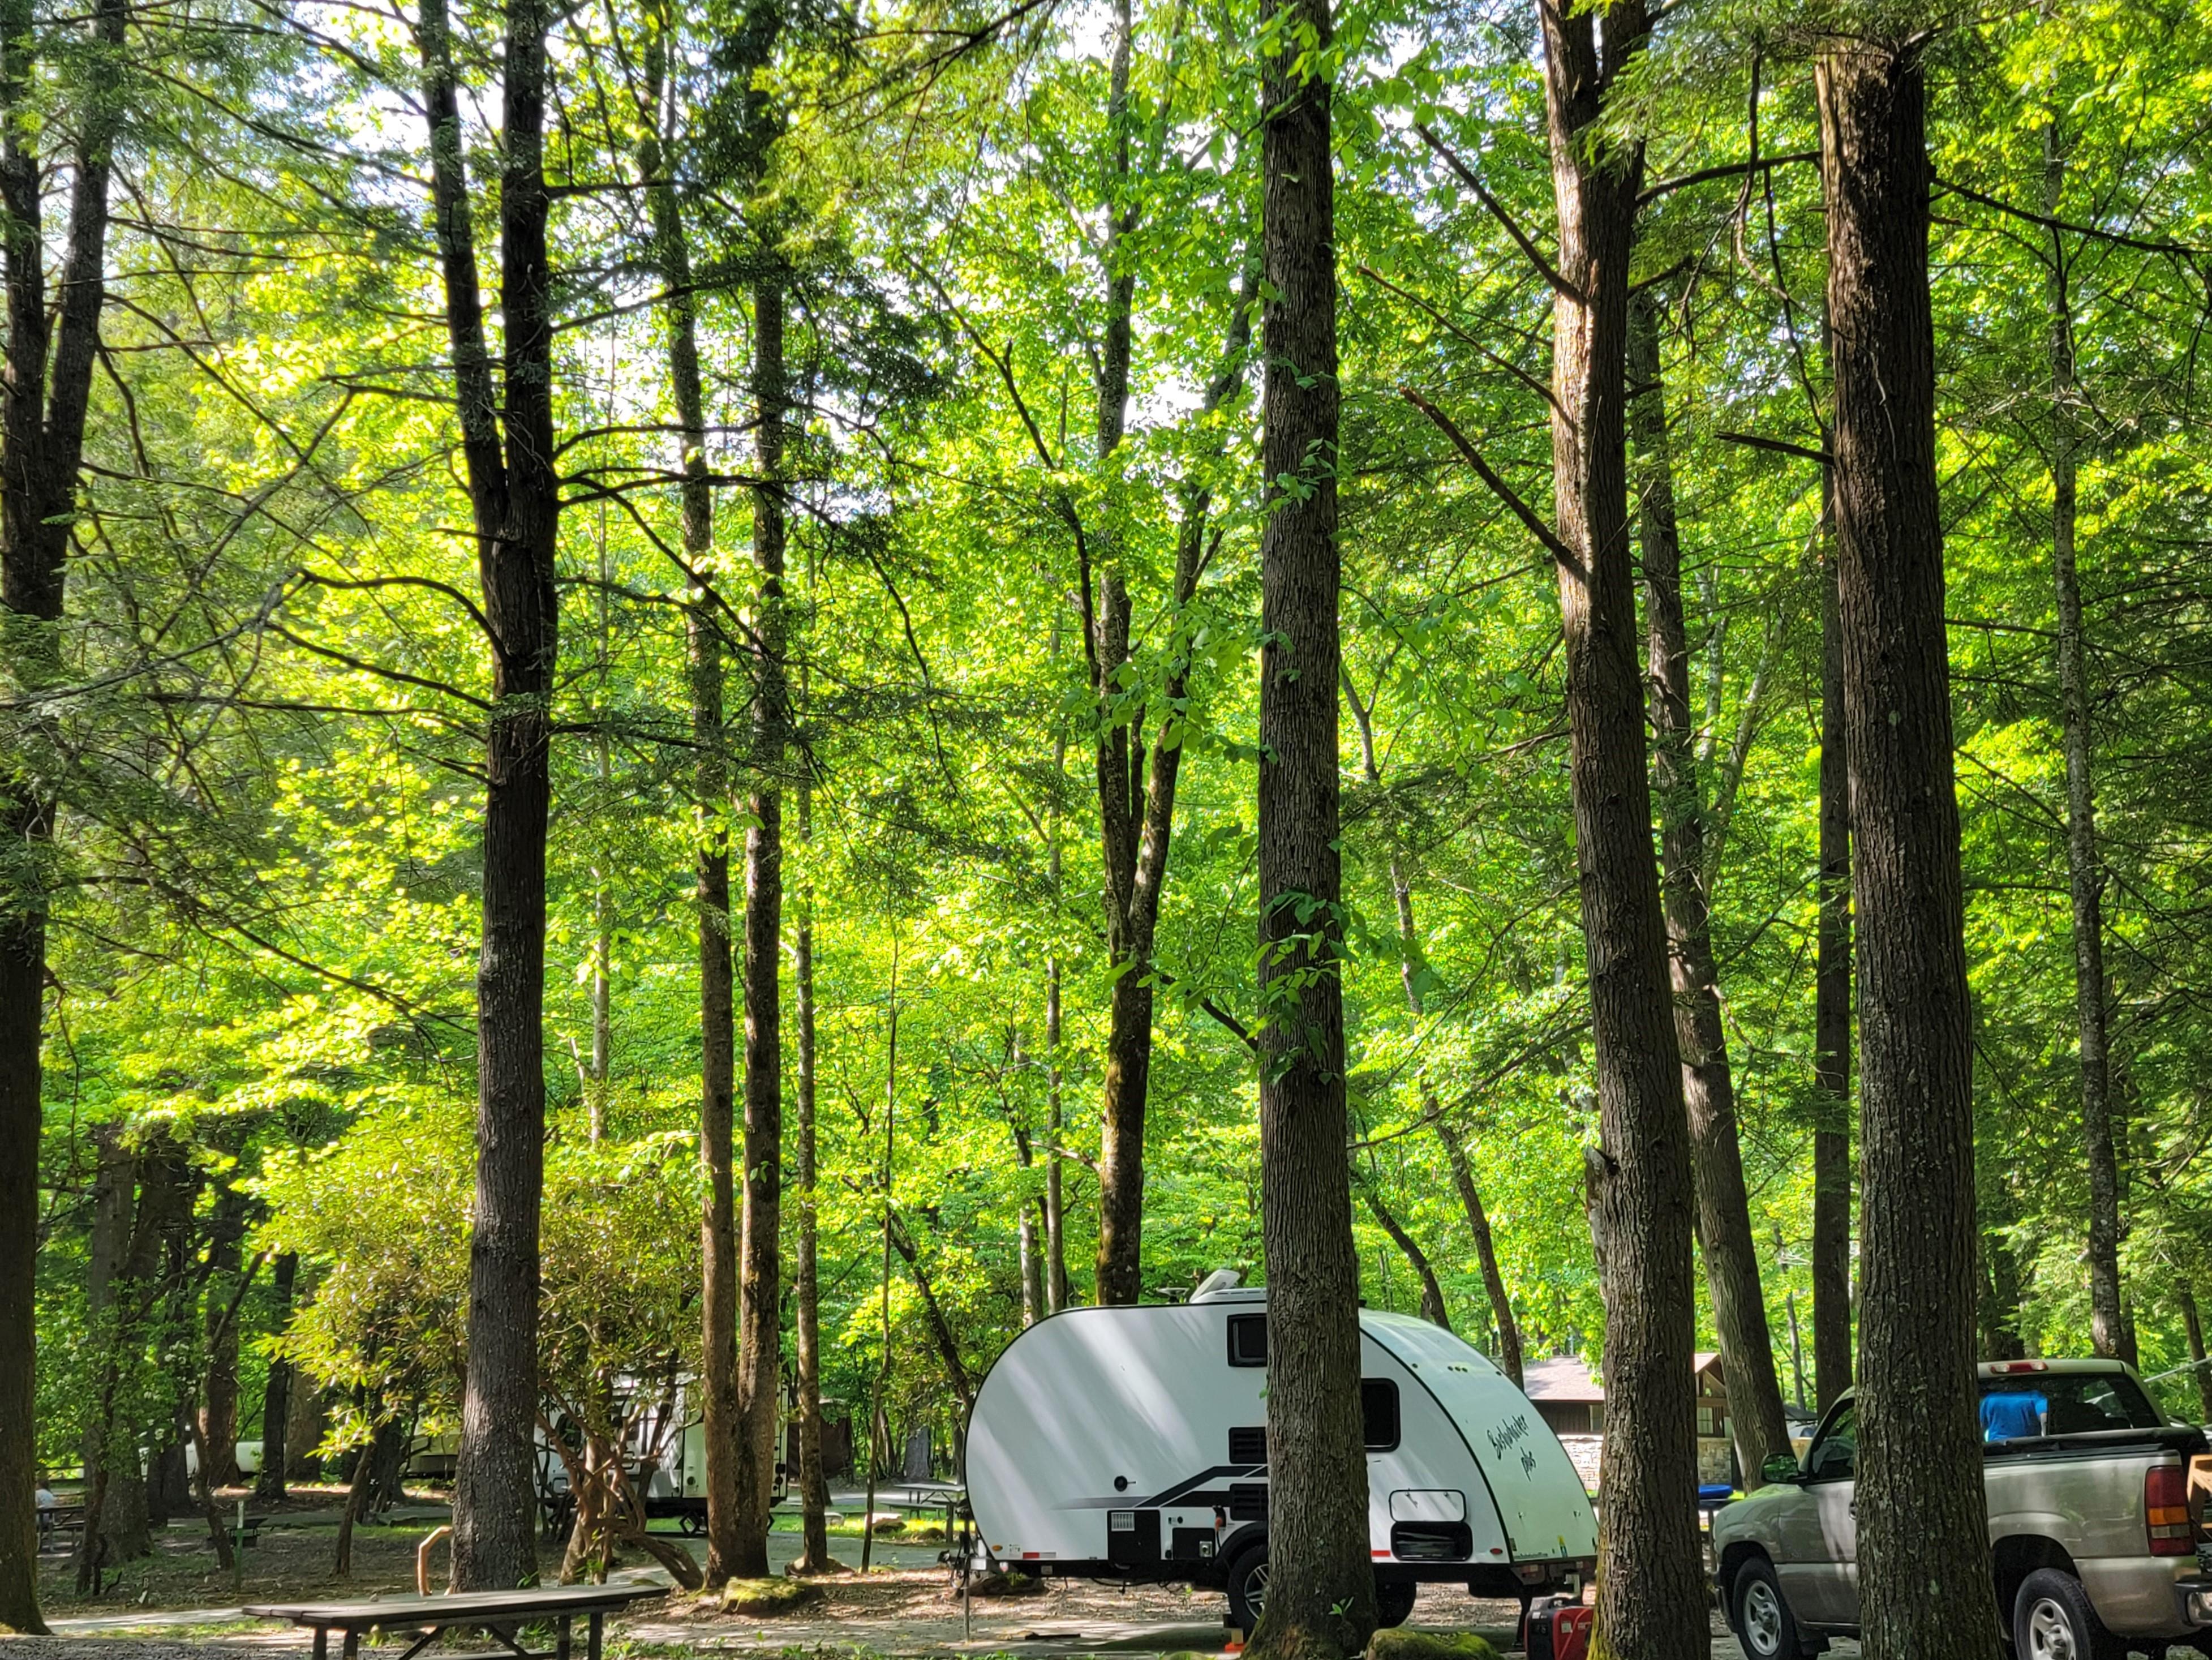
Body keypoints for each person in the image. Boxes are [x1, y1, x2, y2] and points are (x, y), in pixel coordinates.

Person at [1981, 1388, 2046, 1442]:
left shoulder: (1990, 1399)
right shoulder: (2035, 1397)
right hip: (2028, 1445)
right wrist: (2044, 1439)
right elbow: (2044, 1419)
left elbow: (1980, 1426)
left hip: (1997, 1446)